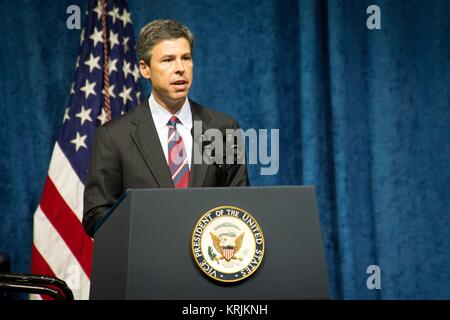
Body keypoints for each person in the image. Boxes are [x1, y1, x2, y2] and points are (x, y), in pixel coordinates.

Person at [82, 19, 249, 237]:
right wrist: (151, 229)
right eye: (168, 60)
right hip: (145, 263)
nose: (180, 68)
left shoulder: (223, 128)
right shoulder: (114, 136)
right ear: (145, 69)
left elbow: (240, 205)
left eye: (186, 58)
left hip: (209, 263)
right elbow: (96, 214)